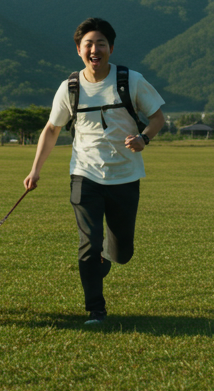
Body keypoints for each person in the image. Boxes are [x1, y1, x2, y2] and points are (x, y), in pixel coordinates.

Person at [24, 17, 166, 324]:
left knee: (122, 251)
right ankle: (96, 310)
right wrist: (35, 170)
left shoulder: (130, 80)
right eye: (88, 44)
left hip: (125, 176)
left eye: (101, 44)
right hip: (84, 174)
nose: (94, 50)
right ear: (78, 49)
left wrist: (143, 138)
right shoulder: (70, 87)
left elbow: (157, 117)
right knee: (89, 242)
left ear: (111, 48)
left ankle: (106, 258)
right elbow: (52, 129)